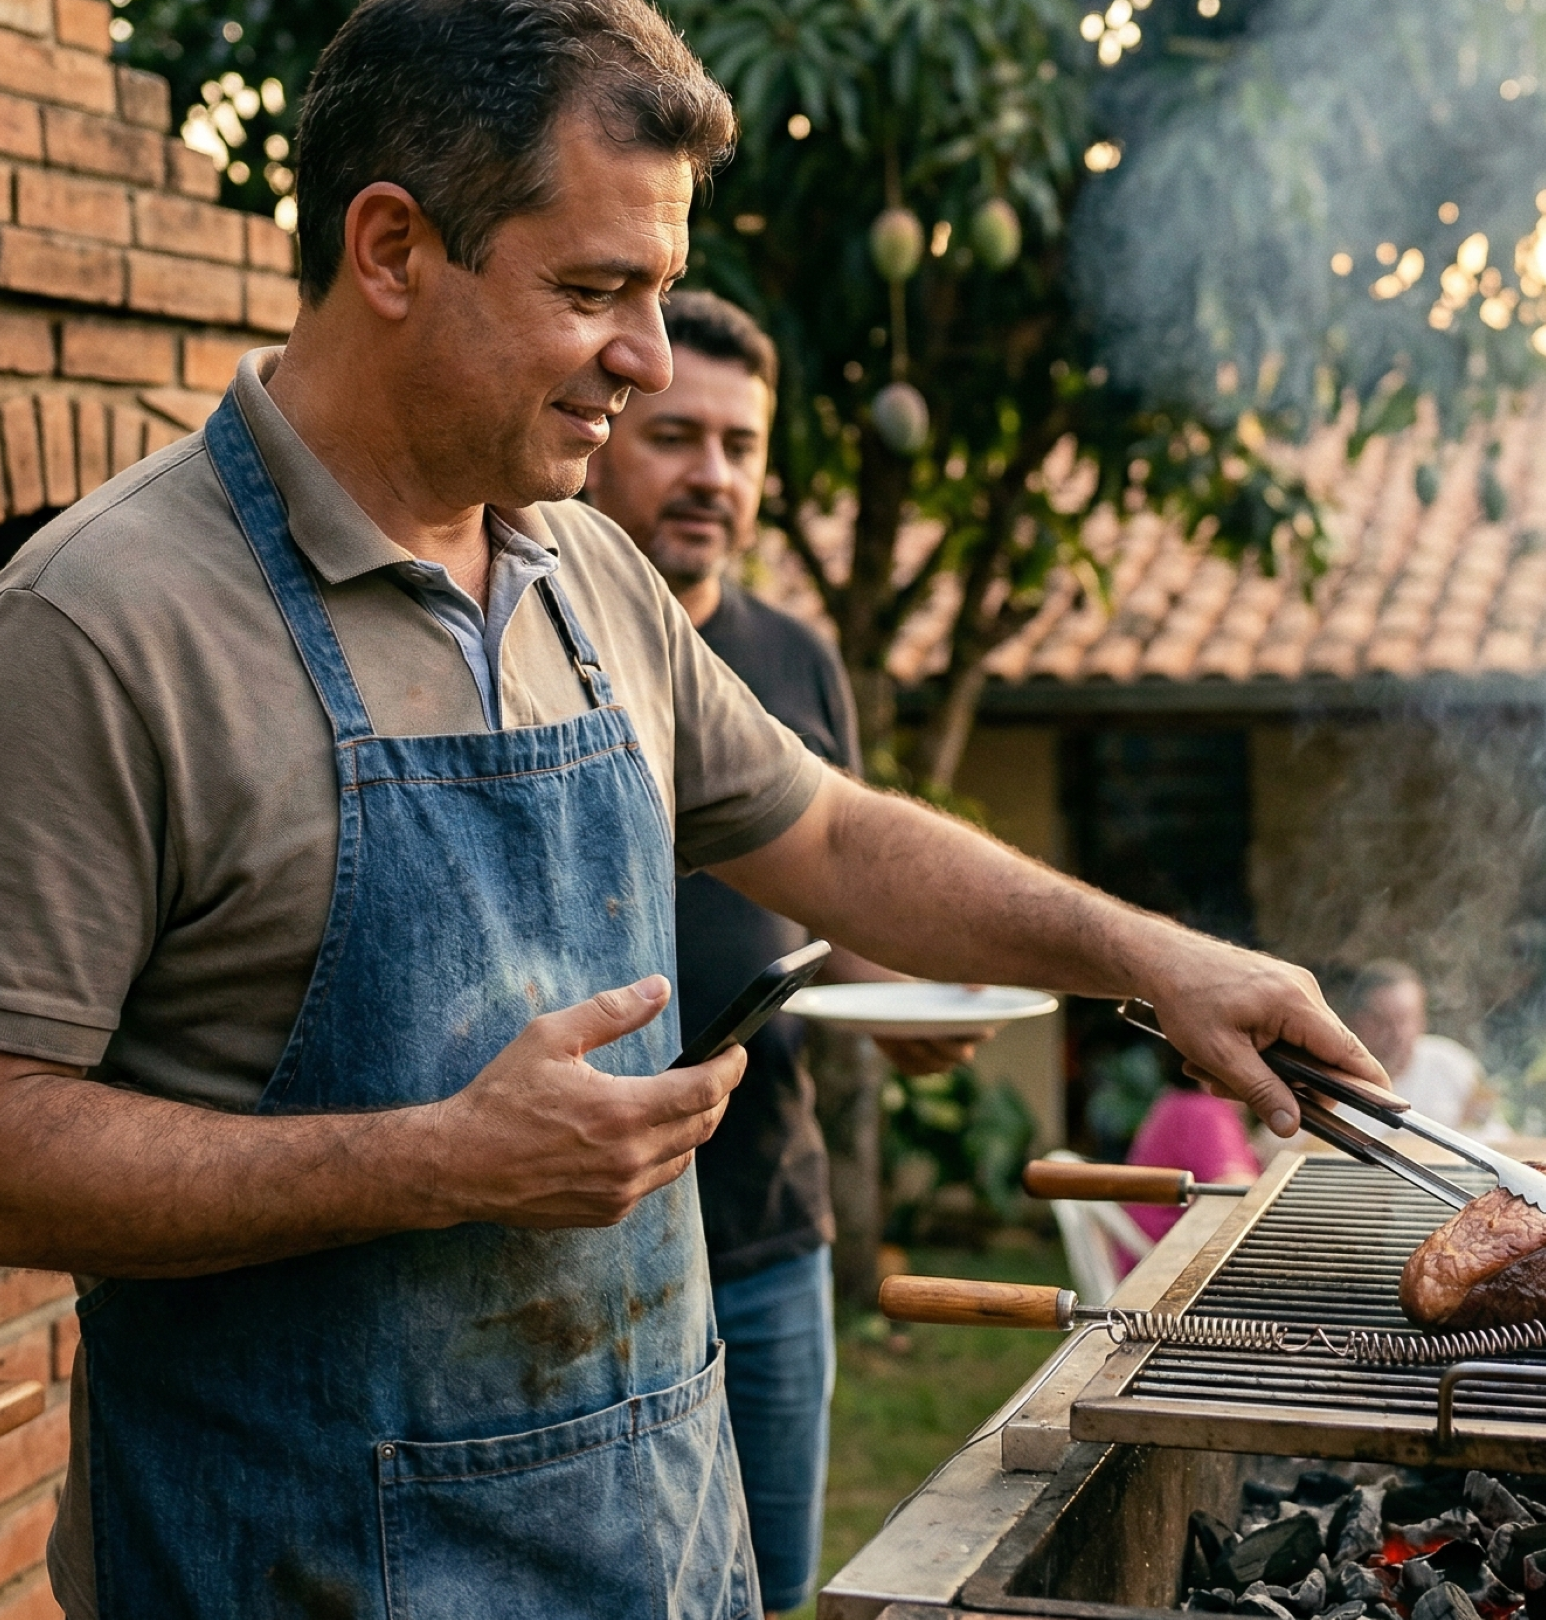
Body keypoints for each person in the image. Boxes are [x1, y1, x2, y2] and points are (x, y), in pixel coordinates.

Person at [0, 1, 1389, 1613]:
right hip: (294, 1566)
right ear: (390, 249)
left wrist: (1156, 961)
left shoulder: (586, 568)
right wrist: (434, 1163)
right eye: (593, 292)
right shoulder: (98, 626)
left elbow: (828, 834)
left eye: (658, 293)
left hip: (650, 1542)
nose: (649, 358)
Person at [580, 289, 973, 1617]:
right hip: (577, 1243)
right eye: (676, 436)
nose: (713, 475)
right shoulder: (539, 643)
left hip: (765, 1230)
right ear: (605, 432)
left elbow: (832, 897)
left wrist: (910, 1005)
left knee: (773, 1590)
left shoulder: (795, 658)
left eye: (741, 446)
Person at [1122, 1067, 1262, 1244]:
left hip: (1146, 1246)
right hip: (1168, 1250)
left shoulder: (1176, 1100)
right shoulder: (1204, 1112)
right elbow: (1238, 1193)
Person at [1343, 959, 1490, 1128]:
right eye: (1381, 1020)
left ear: (1422, 1020)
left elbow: (1493, 1134)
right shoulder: (1339, 1084)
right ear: (1356, 1022)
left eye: (1404, 1019)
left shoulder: (1453, 1066)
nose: (1396, 1034)